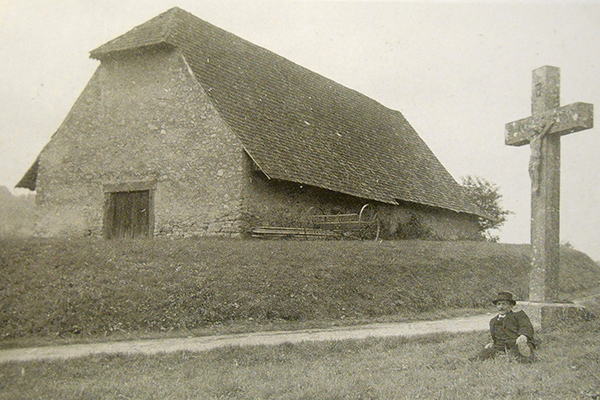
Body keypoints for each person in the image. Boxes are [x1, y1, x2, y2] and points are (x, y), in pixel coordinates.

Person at [471, 291, 536, 363]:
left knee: (520, 354)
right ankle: (476, 360)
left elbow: (526, 327)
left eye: (504, 304)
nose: (501, 307)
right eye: (499, 304)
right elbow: (495, 336)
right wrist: (492, 343)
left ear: (511, 306)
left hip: (515, 341)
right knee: (485, 353)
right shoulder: (493, 321)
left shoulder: (518, 315)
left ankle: (525, 356)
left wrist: (523, 336)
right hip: (500, 345)